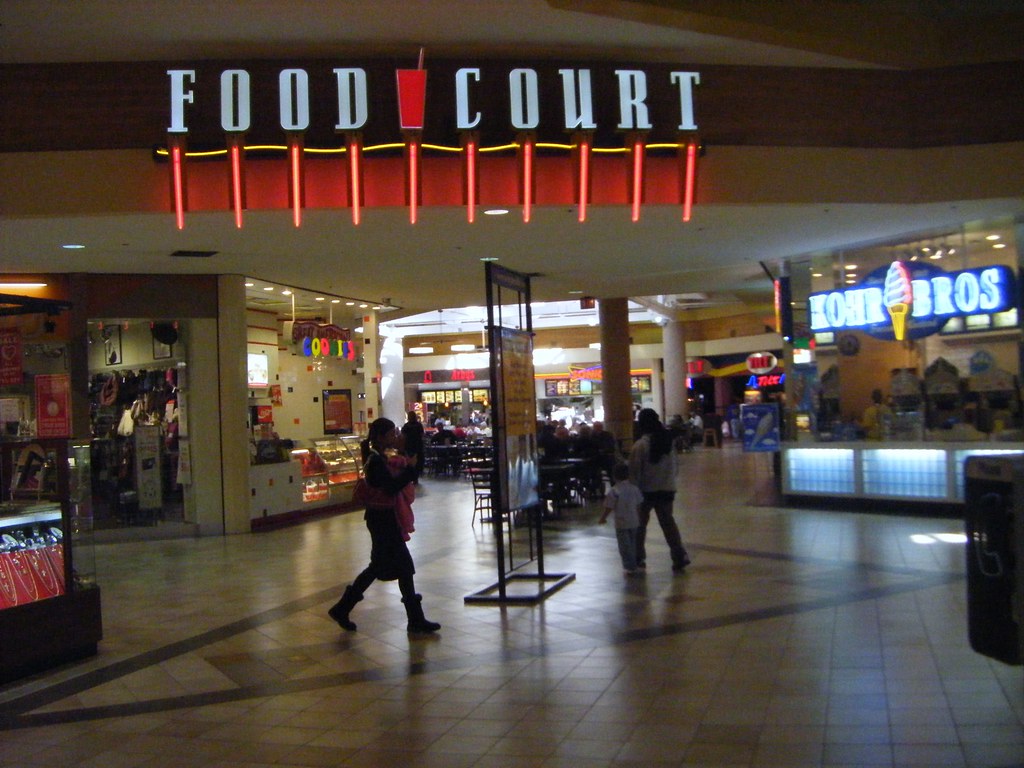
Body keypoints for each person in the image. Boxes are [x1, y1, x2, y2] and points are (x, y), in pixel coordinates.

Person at [327, 417, 440, 634]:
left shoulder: (378, 457)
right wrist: (410, 470)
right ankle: (413, 619)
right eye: (390, 434)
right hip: (382, 520)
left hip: (383, 518)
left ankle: (344, 608)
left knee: (389, 567)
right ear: (380, 437)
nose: (394, 437)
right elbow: (390, 488)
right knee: (397, 567)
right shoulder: (375, 460)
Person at [629, 407, 691, 572]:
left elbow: (634, 472)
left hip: (645, 492)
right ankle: (679, 556)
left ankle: (638, 558)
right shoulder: (668, 443)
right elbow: (675, 467)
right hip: (666, 489)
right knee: (668, 524)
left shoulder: (640, 446)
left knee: (640, 526)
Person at [598, 463, 643, 574]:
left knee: (624, 546)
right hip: (634, 521)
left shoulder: (614, 491)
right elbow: (639, 505)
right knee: (633, 543)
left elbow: (609, 507)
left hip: (621, 522)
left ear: (614, 476)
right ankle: (636, 561)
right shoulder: (634, 489)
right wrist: (639, 517)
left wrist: (603, 518)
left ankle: (629, 566)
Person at [400, 410, 426, 483]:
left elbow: (403, 436)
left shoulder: (406, 426)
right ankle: (415, 477)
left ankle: (411, 477)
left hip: (409, 446)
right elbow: (422, 435)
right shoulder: (419, 425)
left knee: (409, 462)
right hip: (418, 446)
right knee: (417, 463)